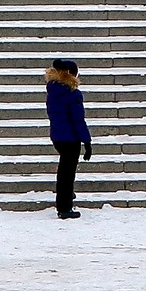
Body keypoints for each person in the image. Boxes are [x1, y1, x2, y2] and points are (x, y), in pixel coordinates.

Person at [46, 59, 91, 218]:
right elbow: (78, 120)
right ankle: (64, 207)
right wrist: (87, 141)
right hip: (70, 138)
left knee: (64, 170)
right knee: (67, 173)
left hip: (57, 136)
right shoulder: (73, 94)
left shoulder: (53, 90)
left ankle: (66, 196)